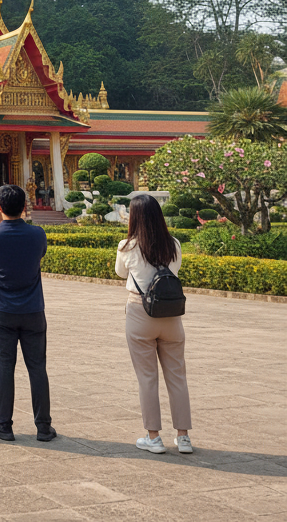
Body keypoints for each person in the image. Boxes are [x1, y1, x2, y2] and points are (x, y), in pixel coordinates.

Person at [115, 194, 192, 454]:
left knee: (147, 378)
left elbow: (120, 273)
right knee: (178, 377)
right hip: (170, 314)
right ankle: (183, 438)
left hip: (140, 312)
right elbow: (176, 271)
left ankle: (154, 437)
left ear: (134, 217)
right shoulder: (174, 244)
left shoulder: (127, 246)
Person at [0, 184, 55, 442]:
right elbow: (40, 254)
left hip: (3, 311)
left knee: (4, 367)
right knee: (38, 368)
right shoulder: (38, 235)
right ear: (24, 207)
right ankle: (43, 427)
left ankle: (4, 425)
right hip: (33, 310)